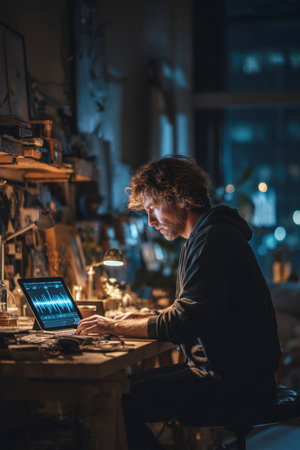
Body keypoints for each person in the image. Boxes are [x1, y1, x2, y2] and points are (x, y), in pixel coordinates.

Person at [76, 155, 281, 449]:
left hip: (234, 380)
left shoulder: (214, 239)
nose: (150, 221)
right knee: (120, 391)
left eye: (153, 208)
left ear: (181, 198)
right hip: (231, 371)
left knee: (115, 402)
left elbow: (183, 323)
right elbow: (196, 309)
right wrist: (142, 316)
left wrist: (112, 325)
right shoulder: (203, 236)